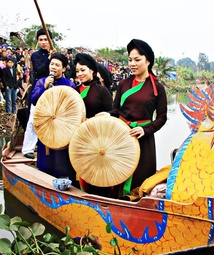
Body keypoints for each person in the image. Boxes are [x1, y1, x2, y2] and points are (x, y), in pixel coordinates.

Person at [110, 38, 167, 198]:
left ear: (148, 61)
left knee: (141, 179)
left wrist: (145, 129)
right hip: (122, 136)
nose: (132, 63)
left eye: (137, 59)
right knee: (116, 173)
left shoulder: (157, 88)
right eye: (130, 60)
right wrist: (106, 116)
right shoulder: (123, 84)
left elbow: (162, 117)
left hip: (143, 139)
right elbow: (116, 110)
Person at [69, 53, 113, 195]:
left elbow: (112, 113)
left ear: (92, 71)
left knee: (96, 175)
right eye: (77, 71)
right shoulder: (73, 92)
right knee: (75, 172)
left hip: (96, 141)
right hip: (77, 140)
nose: (80, 74)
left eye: (83, 70)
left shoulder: (102, 91)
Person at [30, 52, 76, 178]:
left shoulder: (69, 85)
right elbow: (34, 100)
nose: (53, 67)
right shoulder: (41, 81)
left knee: (61, 153)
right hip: (46, 123)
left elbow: (74, 105)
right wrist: (44, 87)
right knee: (46, 153)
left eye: (57, 65)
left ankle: (63, 178)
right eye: (52, 64)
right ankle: (45, 177)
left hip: (63, 125)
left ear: (64, 68)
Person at [21, 28, 56, 159]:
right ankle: (28, 149)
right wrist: (49, 58)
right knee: (33, 120)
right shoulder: (36, 55)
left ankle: (53, 147)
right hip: (39, 89)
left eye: (46, 39)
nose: (43, 42)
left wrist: (55, 58)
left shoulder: (56, 54)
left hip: (53, 90)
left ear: (50, 41)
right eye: (40, 40)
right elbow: (40, 71)